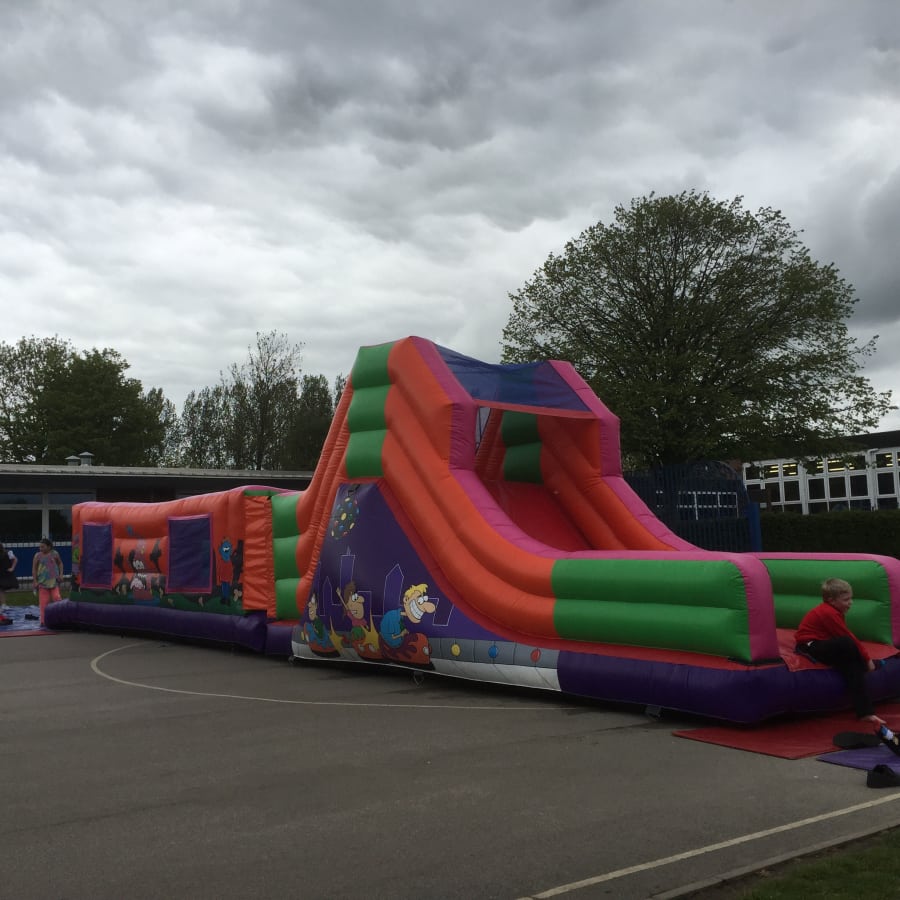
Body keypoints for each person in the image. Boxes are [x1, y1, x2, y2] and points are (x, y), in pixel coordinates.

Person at [795, 577, 884, 726]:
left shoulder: (834, 611)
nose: (850, 603)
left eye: (850, 598)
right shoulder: (828, 612)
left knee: (852, 667)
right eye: (846, 600)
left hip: (825, 645)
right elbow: (847, 637)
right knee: (846, 643)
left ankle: (866, 713)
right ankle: (864, 666)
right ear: (831, 600)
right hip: (810, 646)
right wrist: (867, 659)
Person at [32, 538, 64, 627]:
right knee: (43, 603)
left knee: (57, 598)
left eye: (43, 547)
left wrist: (61, 574)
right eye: (40, 547)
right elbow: (34, 569)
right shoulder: (37, 555)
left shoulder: (55, 554)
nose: (40, 548)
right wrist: (35, 581)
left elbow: (60, 563)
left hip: (54, 582)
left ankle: (60, 618)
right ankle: (43, 621)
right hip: (42, 583)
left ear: (49, 547)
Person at [0, 541, 18, 621]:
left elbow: (15, 559)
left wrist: (12, 568)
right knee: (1, 590)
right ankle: (3, 604)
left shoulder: (8, 553)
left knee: (1, 589)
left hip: (5, 574)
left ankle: (3, 605)